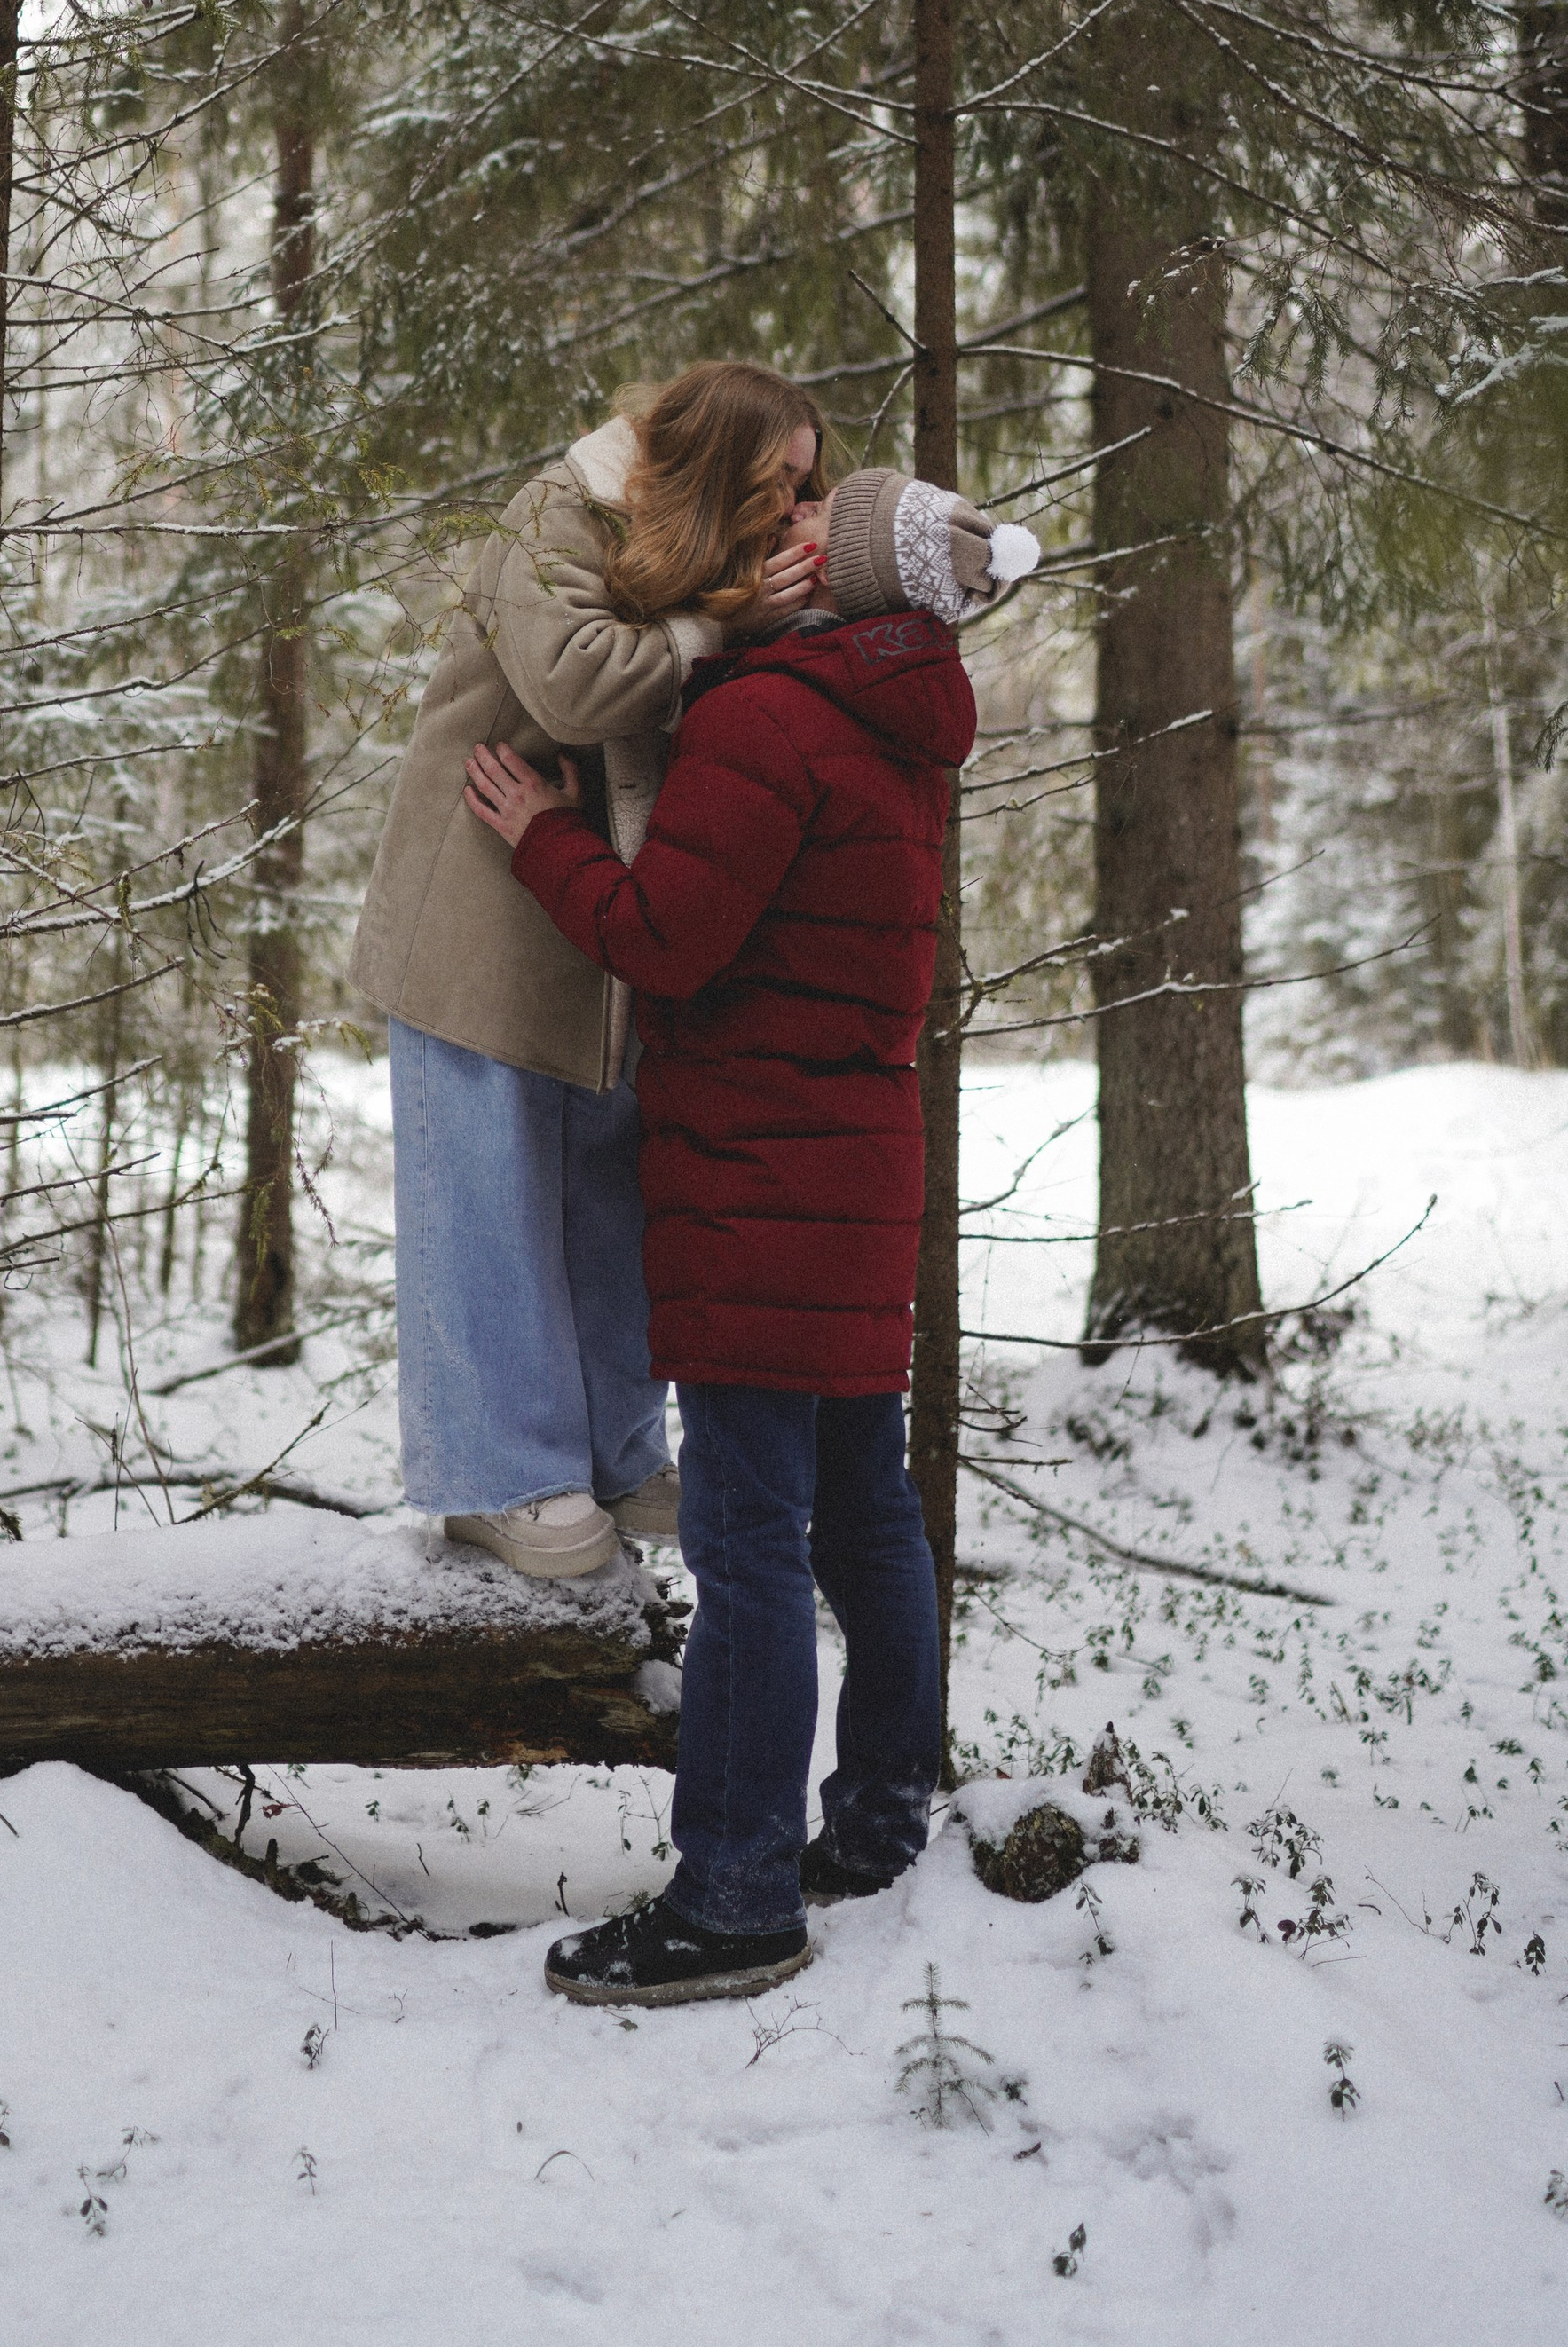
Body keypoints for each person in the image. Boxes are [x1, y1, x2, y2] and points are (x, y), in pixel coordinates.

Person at [462, 466, 1039, 2007]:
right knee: (864, 1516)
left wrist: (545, 838)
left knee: (747, 1545)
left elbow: (664, 939)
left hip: (754, 1183)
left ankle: (733, 1899)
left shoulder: (769, 717)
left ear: (847, 578)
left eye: (807, 526)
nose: (779, 535)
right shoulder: (902, 711)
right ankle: (882, 1825)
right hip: (857, 1175)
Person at [349, 362, 835, 1578]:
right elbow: (572, 683)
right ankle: (497, 1478)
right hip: (477, 920)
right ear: (718, 464)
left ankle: (616, 1456)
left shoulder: (715, 559)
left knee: (610, 1205)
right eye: (783, 481)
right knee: (487, 1198)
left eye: (809, 486)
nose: (796, 507)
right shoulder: (558, 511)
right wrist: (720, 630)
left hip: (599, 927)